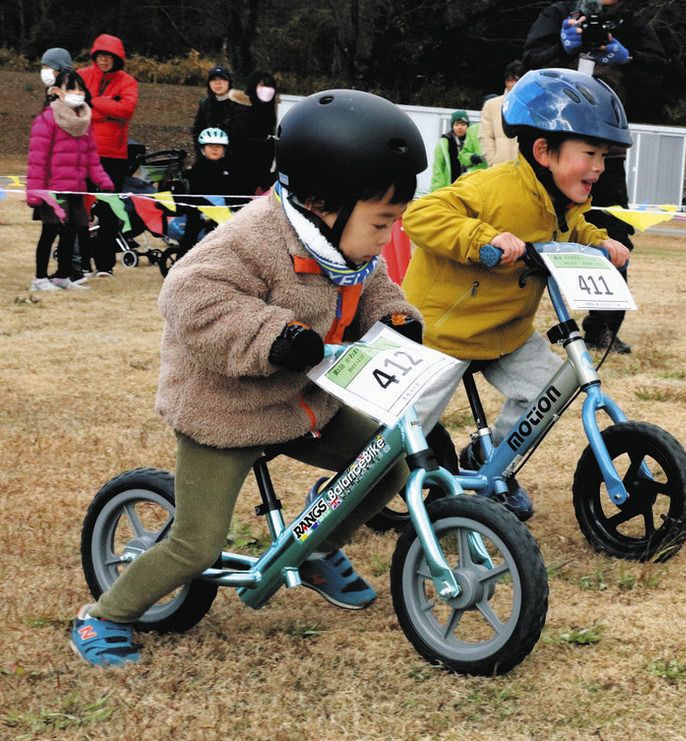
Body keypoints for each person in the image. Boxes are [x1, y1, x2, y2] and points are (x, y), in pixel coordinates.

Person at [69, 89, 428, 667]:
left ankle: (316, 549)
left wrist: (394, 316)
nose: (388, 237)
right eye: (383, 222)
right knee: (197, 543)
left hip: (302, 403)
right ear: (323, 202)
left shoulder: (345, 246)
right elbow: (190, 298)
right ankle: (104, 616)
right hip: (224, 410)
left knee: (385, 466)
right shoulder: (253, 237)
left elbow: (374, 284)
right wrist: (274, 336)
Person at [402, 68, 632, 522]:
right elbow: (422, 214)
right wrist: (482, 238)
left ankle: (490, 467)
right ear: (544, 151)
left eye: (604, 155)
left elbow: (571, 229)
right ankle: (356, 491)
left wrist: (598, 241)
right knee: (404, 431)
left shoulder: (566, 202)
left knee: (550, 387)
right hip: (443, 334)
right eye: (589, 153)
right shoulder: (493, 187)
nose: (599, 167)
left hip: (506, 332)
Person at [523, 0, 666, 355]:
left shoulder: (633, 24)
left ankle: (603, 327)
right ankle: (509, 319)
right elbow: (529, 65)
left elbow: (665, 75)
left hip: (607, 150)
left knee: (615, 236)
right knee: (527, 227)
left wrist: (627, 57)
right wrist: (562, 46)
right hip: (552, 146)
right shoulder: (558, 14)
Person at [26, 69, 114, 291]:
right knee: (51, 231)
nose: (77, 92)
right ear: (56, 91)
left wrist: (102, 179)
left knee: (72, 231)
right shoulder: (46, 120)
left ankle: (63, 276)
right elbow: (37, 161)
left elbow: (91, 158)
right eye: (71, 88)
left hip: (76, 188)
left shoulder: (84, 121)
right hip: (53, 191)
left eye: (80, 88)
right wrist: (34, 193)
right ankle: (40, 278)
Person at [78, 34, 138, 278]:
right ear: (94, 56)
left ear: (117, 59)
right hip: (82, 150)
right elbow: (74, 106)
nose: (104, 61)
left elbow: (126, 110)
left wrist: (93, 103)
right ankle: (81, 262)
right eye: (100, 56)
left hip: (113, 154)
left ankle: (104, 264)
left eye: (109, 57)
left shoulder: (128, 82)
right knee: (80, 207)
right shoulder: (81, 76)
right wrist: (107, 108)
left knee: (109, 208)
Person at [177, 127, 246, 256]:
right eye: (210, 146)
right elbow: (192, 196)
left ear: (224, 149)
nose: (214, 149)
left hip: (225, 212)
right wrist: (204, 211)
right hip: (201, 213)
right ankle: (178, 268)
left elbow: (237, 193)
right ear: (203, 149)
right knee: (190, 237)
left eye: (218, 146)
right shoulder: (196, 170)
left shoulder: (231, 169)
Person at [190, 65, 250, 161]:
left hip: (234, 157)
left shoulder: (240, 104)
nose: (218, 83)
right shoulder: (204, 104)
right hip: (208, 156)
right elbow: (197, 130)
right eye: (213, 80)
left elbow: (242, 135)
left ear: (229, 82)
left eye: (222, 79)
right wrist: (202, 153)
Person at [479, 60, 523, 166]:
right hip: (499, 168)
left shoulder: (533, 105)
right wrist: (493, 161)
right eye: (510, 80)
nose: (514, 84)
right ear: (505, 82)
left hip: (527, 170)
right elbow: (485, 136)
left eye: (518, 80)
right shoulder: (491, 105)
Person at [242, 71, 279, 192]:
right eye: (262, 86)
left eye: (270, 87)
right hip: (242, 165)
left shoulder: (269, 110)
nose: (266, 90)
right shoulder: (242, 109)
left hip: (264, 166)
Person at [430, 110, 485, 190]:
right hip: (449, 188)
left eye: (463, 124)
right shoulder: (444, 143)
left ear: (467, 126)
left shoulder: (473, 142)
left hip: (469, 187)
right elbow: (438, 169)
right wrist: (437, 191)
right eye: (456, 124)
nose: (460, 127)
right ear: (452, 126)